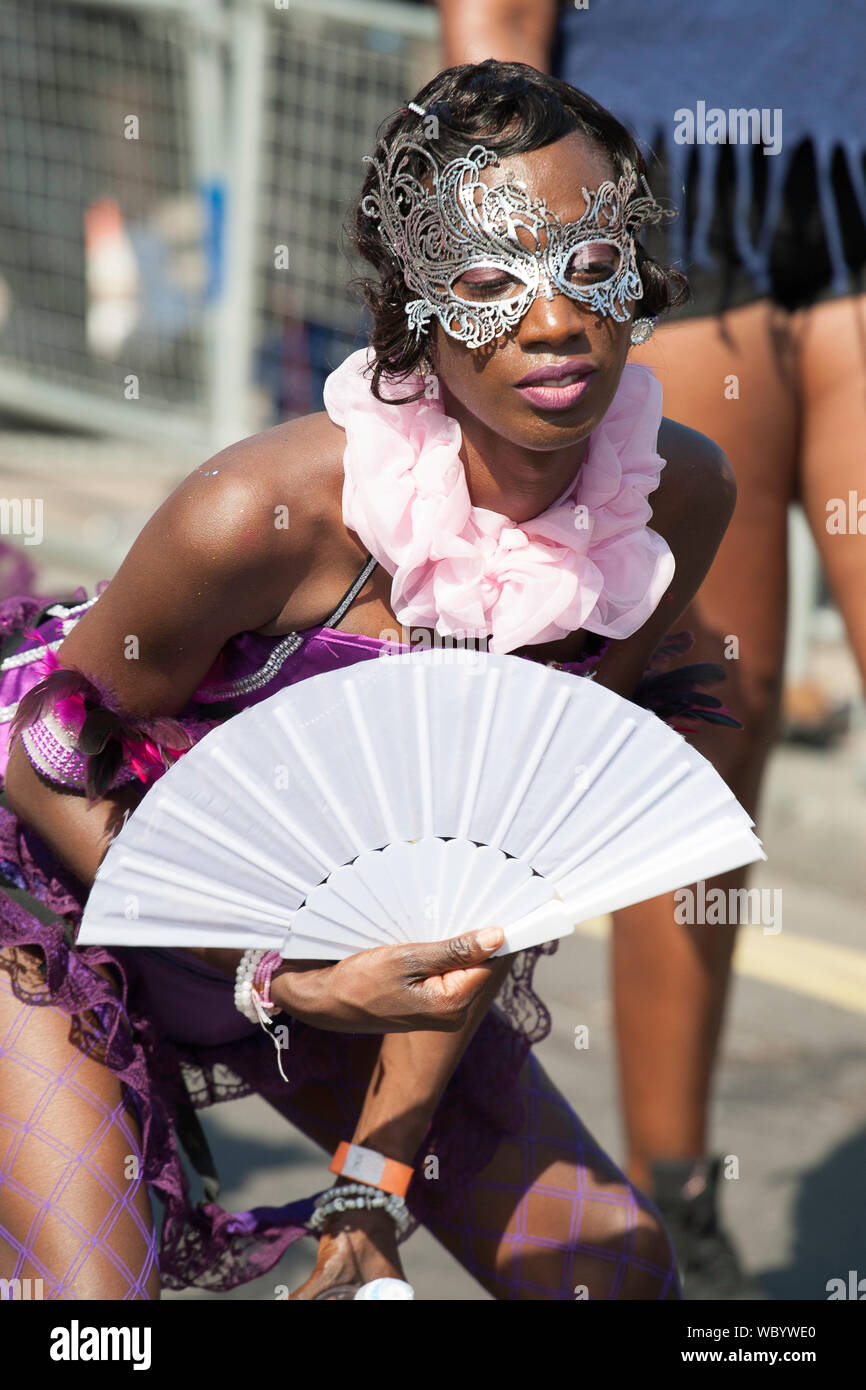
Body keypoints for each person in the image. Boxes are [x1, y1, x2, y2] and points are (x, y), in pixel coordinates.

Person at [0, 61, 737, 1301]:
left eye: (590, 267)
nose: (551, 323)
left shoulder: (668, 503)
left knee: (607, 1276)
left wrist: (372, 1180)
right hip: (55, 880)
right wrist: (279, 980)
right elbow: (38, 755)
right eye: (488, 281)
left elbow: (479, 865)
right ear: (411, 310)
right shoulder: (263, 512)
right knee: (91, 1315)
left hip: (333, 957)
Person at [437, 1, 866, 1298]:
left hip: (848, 209)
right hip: (655, 244)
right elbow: (492, 44)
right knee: (700, 749)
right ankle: (680, 1218)